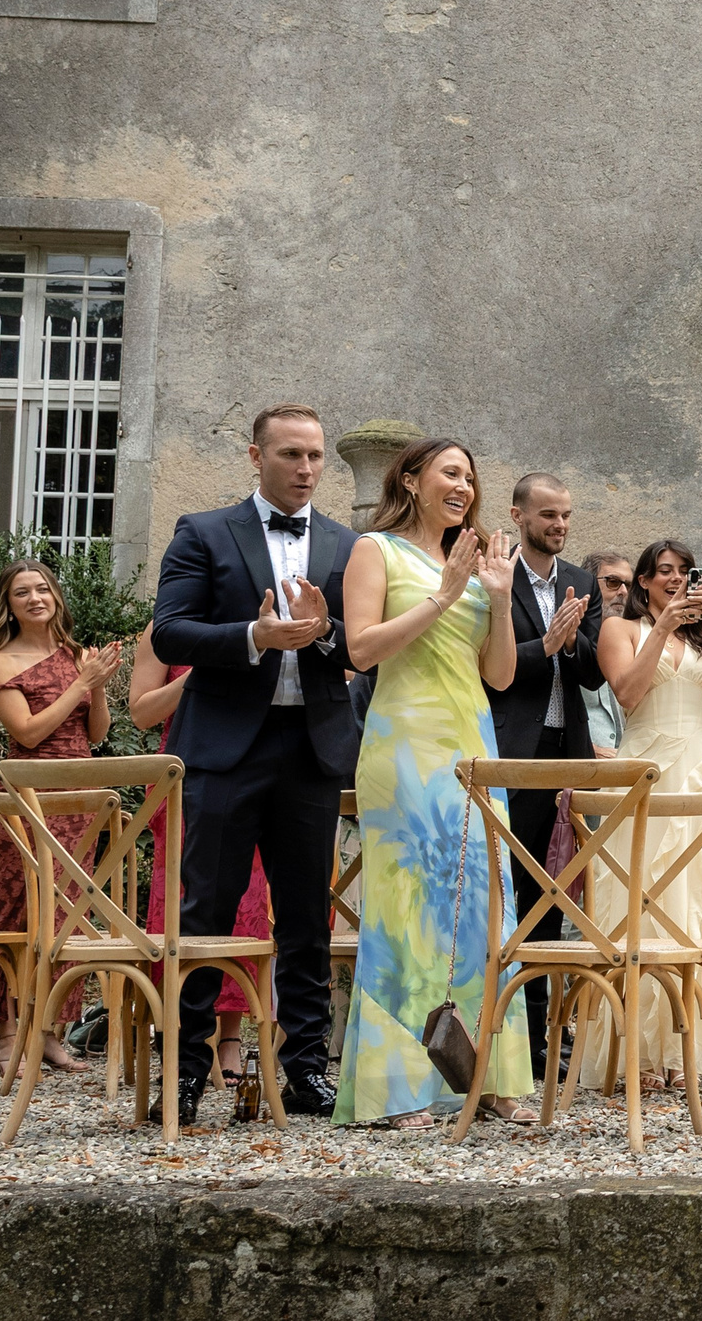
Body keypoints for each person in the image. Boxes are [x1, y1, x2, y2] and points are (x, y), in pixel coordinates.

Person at [148, 403, 355, 1127]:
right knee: (205, 909)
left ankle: (304, 1069)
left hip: (312, 747)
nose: (306, 468)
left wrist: (329, 636)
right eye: (291, 454)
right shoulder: (204, 531)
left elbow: (363, 647)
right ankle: (184, 1067)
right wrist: (252, 634)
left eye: (316, 456)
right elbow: (171, 625)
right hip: (226, 747)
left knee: (307, 916)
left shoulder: (344, 541)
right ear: (255, 454)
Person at [336, 437, 537, 1128]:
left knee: (489, 910)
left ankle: (488, 1077)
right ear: (412, 478)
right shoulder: (376, 551)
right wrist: (445, 594)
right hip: (403, 747)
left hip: (474, 745)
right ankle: (399, 1088)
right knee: (409, 914)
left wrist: (501, 600)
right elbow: (361, 648)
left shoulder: (480, 564)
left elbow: (501, 675)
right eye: (451, 472)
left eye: (471, 477)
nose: (464, 485)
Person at [587, 537, 702, 1090]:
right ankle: (640, 1054)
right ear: (645, 581)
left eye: (684, 571)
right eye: (665, 572)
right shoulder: (620, 629)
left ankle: (684, 1051)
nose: (676, 580)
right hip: (646, 771)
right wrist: (661, 628)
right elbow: (627, 694)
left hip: (699, 773)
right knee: (643, 903)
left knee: (695, 903)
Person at [484, 474, 606, 1078]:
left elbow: (592, 675)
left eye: (566, 516)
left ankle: (546, 1038)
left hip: (569, 751)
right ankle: (516, 1040)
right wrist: (546, 645)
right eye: (549, 515)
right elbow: (488, 668)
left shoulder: (580, 583)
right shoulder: (496, 574)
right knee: (517, 888)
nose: (559, 525)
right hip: (516, 750)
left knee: (556, 892)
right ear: (519, 515)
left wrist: (570, 642)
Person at [0, 559, 120, 1077]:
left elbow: (98, 733)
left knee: (67, 917)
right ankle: (7, 1035)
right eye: (23, 592)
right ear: (9, 605)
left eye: (43, 589)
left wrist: (97, 684)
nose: (36, 598)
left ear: (56, 596)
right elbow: (30, 733)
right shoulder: (0, 662)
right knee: (20, 911)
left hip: (79, 799)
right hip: (28, 799)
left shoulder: (74, 656)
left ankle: (49, 1034)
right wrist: (80, 681)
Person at [130, 622, 272, 1092]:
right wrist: (198, 674)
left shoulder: (259, 618)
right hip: (188, 772)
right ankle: (182, 1035)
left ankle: (230, 1037)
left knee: (247, 904)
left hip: (256, 765)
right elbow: (142, 712)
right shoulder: (162, 630)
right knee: (186, 901)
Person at [580, 551, 634, 752]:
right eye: (613, 582)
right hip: (579, 768)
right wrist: (589, 751)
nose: (623, 592)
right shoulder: (570, 639)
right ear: (589, 585)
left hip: (628, 764)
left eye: (628, 585)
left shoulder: (636, 638)